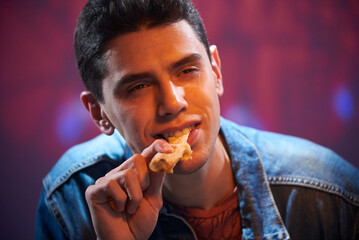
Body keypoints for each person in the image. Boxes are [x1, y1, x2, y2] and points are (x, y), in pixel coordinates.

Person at [35, 0, 359, 239]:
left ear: (215, 71)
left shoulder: (330, 197)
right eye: (139, 87)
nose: (173, 103)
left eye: (187, 70)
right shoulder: (69, 200)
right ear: (99, 113)